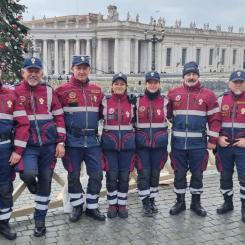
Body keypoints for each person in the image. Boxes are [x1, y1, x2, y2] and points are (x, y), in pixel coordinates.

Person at [15, 57, 66, 237]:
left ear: (41, 73)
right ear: (23, 72)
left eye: (37, 71)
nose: (33, 74)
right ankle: (32, 187)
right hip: (27, 145)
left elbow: (59, 117)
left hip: (48, 145)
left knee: (46, 181)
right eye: (30, 71)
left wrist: (60, 141)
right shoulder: (14, 92)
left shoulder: (49, 92)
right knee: (28, 174)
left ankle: (39, 221)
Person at [55, 55, 106, 222]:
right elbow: (57, 117)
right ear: (72, 69)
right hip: (72, 140)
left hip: (92, 140)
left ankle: (92, 206)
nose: (82, 71)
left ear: (89, 70)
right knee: (73, 175)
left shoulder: (97, 90)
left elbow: (104, 113)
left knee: (97, 174)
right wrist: (60, 141)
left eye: (85, 68)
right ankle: (77, 205)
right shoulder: (61, 91)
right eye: (78, 68)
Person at [168, 61, 221, 217]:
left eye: (194, 74)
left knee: (198, 173)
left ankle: (196, 203)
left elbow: (215, 119)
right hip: (178, 144)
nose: (191, 77)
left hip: (198, 144)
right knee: (179, 173)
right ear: (183, 76)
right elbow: (167, 114)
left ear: (198, 75)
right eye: (188, 74)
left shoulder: (208, 95)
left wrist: (212, 140)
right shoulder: (173, 93)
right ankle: (180, 202)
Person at [101, 73, 135, 219]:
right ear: (112, 86)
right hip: (110, 147)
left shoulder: (133, 102)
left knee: (124, 177)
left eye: (122, 84)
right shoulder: (104, 102)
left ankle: (122, 204)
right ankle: (111, 204)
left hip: (127, 147)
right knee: (111, 176)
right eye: (116, 84)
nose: (119, 86)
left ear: (126, 86)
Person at [0, 72, 29, 240]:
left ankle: (3, 222)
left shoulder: (11, 95)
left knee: (4, 188)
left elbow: (23, 124)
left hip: (4, 149)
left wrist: (18, 151)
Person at [135, 71, 169, 217]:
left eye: (155, 82)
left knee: (155, 174)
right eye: (150, 82)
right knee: (144, 174)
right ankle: (145, 203)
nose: (153, 85)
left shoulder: (167, 102)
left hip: (158, 145)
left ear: (159, 84)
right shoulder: (136, 101)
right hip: (141, 145)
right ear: (146, 84)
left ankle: (152, 200)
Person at [215, 70, 245, 222]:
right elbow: (214, 123)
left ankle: (244, 208)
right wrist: (218, 137)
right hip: (224, 145)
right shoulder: (221, 100)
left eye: (241, 81)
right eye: (235, 82)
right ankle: (228, 203)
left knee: (244, 178)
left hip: (243, 147)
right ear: (229, 83)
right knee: (225, 176)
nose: (238, 84)